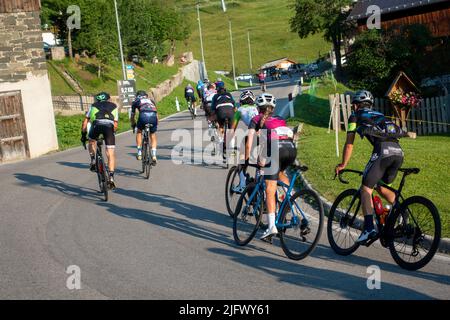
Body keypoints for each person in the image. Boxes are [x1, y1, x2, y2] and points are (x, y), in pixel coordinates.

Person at [335, 90, 413, 244]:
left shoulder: (355, 116)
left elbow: (349, 144)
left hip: (383, 151)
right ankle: (403, 216)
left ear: (356, 105)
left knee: (365, 189)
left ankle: (369, 228)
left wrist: (343, 164)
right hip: (398, 152)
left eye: (353, 105)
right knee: (382, 187)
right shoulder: (380, 115)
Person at [245, 93, 296, 240]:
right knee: (280, 173)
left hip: (276, 150)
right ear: (273, 108)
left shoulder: (256, 119)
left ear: (257, 108)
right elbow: (268, 140)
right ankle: (289, 195)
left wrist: (247, 160)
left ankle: (271, 226)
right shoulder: (280, 119)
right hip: (291, 149)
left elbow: (250, 143)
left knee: (269, 188)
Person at [81, 92, 119, 188]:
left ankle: (93, 160)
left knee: (91, 141)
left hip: (96, 125)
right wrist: (111, 133)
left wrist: (83, 134)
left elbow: (85, 122)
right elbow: (115, 125)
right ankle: (111, 177)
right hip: (109, 127)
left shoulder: (93, 106)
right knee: (110, 153)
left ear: (97, 99)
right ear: (108, 99)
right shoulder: (114, 106)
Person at [231, 90, 259, 192]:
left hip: (252, 136)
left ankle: (242, 184)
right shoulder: (257, 108)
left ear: (241, 101)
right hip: (265, 135)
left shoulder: (239, 110)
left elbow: (232, 129)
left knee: (241, 159)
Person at [130, 90, 159, 165]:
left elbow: (132, 116)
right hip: (153, 117)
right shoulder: (151, 101)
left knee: (139, 131)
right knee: (152, 135)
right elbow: (156, 114)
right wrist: (156, 124)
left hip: (143, 116)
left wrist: (133, 124)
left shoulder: (136, 101)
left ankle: (139, 153)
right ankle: (154, 155)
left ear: (137, 96)